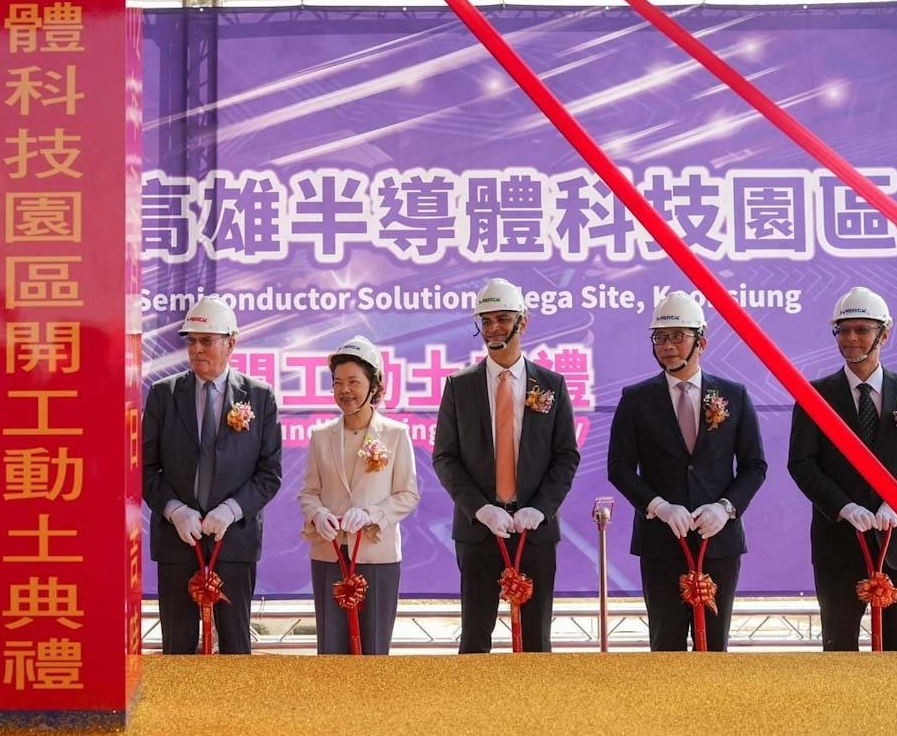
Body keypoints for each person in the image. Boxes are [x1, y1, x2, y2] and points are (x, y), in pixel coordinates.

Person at [606, 292, 767, 651]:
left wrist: (725, 508)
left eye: (678, 336)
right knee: (666, 646)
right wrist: (658, 506)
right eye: (660, 337)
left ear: (701, 341)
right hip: (661, 543)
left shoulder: (734, 395)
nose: (668, 346)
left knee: (713, 648)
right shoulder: (636, 398)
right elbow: (618, 468)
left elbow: (755, 466)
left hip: (719, 542)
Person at [433, 277, 579, 653]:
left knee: (534, 642)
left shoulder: (551, 385)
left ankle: (535, 711)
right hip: (478, 532)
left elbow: (566, 456)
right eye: (486, 320)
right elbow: (445, 457)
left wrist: (540, 509)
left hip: (535, 531)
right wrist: (480, 509)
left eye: (502, 318)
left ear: (522, 323)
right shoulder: (459, 386)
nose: (494, 327)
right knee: (475, 639)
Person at [789, 286, 897, 651]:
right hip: (838, 540)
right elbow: (802, 464)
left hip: (896, 539)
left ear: (884, 333)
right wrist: (844, 507)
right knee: (838, 649)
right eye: (843, 330)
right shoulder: (814, 395)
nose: (851, 338)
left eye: (862, 329)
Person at [143, 295, 282, 654]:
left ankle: (237, 712)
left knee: (235, 647)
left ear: (230, 343)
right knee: (177, 647)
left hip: (233, 542)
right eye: (191, 340)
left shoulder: (259, 396)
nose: (196, 349)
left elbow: (270, 473)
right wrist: (174, 510)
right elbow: (144, 468)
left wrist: (231, 510)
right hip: (178, 542)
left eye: (207, 341)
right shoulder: (163, 394)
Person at [298, 335, 419, 654]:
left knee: (373, 649)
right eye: (338, 382)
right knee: (332, 649)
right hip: (329, 555)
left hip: (376, 557)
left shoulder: (395, 435)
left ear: (375, 386)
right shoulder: (321, 436)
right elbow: (309, 492)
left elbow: (407, 494)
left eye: (354, 381)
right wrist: (318, 513)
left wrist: (371, 514)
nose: (345, 390)